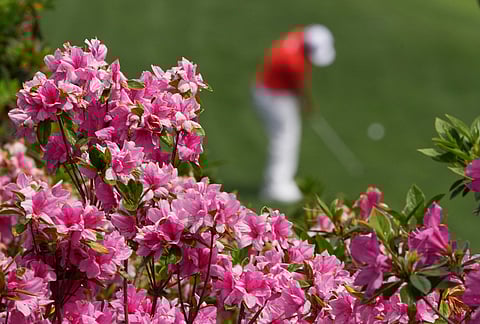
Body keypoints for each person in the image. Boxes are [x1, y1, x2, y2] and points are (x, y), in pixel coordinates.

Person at [253, 24, 335, 203]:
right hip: (275, 96)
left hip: (268, 89)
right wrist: (307, 105)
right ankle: (277, 185)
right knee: (285, 137)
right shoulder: (293, 62)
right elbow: (298, 88)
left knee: (285, 136)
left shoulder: (298, 36)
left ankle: (279, 181)